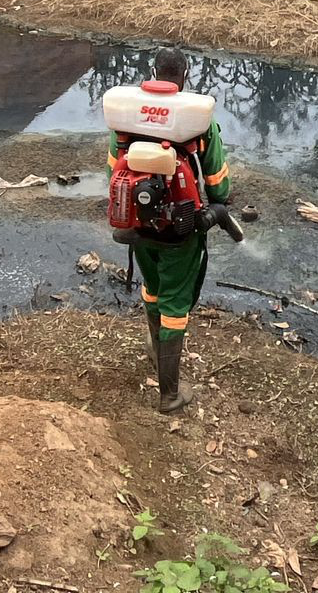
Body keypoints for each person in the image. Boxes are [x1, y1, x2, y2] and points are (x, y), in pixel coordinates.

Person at [106, 47, 231, 413]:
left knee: (153, 286)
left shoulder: (126, 114)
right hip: (181, 229)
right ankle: (169, 395)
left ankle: (154, 345)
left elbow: (115, 167)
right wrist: (218, 205)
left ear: (153, 71)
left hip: (136, 226)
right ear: (185, 74)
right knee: (176, 301)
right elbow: (217, 182)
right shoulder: (198, 118)